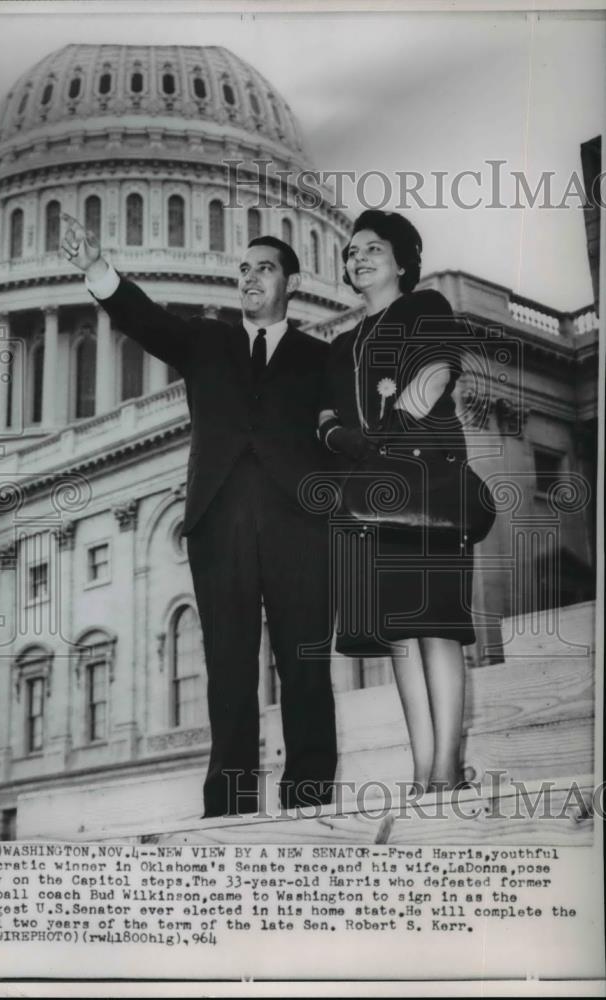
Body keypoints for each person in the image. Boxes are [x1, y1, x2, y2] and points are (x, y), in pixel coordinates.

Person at [60, 213, 337, 818]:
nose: (250, 278)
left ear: (292, 281)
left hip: (299, 524)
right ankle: (231, 806)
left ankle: (312, 801)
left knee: (305, 664)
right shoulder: (207, 340)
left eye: (264, 268)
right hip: (221, 521)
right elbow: (146, 321)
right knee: (229, 668)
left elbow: (341, 431)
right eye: (244, 269)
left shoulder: (322, 357)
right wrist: (96, 269)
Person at [319, 209, 475, 795]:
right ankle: (421, 770)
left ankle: (447, 769)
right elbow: (326, 418)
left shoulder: (425, 308)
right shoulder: (340, 345)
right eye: (352, 252)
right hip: (373, 497)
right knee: (401, 633)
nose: (358, 258)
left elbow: (435, 374)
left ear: (402, 260)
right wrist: (342, 438)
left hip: (430, 479)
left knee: (439, 626)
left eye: (372, 249)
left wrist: (379, 435)